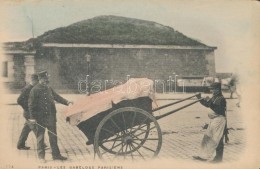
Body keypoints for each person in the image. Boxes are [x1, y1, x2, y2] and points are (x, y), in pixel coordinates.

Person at [28, 71, 73, 162]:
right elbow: (31, 106)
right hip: (40, 118)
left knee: (53, 136)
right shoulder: (34, 90)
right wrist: (32, 118)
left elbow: (57, 97)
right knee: (40, 137)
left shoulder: (49, 88)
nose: (46, 81)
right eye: (44, 79)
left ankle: (56, 155)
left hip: (51, 117)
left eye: (47, 79)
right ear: (40, 79)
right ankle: (41, 157)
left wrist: (67, 102)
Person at [193, 82, 227, 163]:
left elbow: (218, 110)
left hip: (219, 121)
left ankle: (218, 159)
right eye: (212, 89)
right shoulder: (214, 97)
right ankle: (203, 155)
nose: (212, 91)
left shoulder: (221, 99)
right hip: (214, 120)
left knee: (216, 140)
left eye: (214, 89)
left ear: (218, 89)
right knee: (207, 138)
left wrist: (209, 102)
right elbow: (207, 104)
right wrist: (199, 98)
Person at [17, 74, 41, 150]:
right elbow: (19, 100)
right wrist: (27, 108)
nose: (38, 83)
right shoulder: (27, 89)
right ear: (34, 81)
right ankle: (42, 144)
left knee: (26, 129)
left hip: (30, 112)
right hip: (28, 113)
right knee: (35, 128)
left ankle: (20, 144)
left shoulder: (33, 88)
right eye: (37, 81)